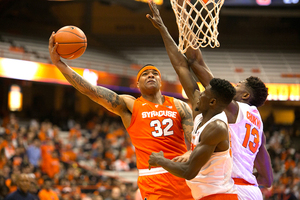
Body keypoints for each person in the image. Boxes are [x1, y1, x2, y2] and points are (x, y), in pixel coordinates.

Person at [48, 24, 194, 200]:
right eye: (145, 74)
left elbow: (193, 137)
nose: (151, 75)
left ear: (160, 82)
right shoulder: (130, 105)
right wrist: (59, 63)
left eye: (155, 73)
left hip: (182, 174)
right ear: (137, 84)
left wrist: (190, 151)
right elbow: (91, 91)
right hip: (154, 179)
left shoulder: (179, 105)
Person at [146, 1, 273, 199]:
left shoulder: (231, 107)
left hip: (231, 191)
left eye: (238, 84)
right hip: (251, 191)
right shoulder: (258, 125)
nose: (233, 86)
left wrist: (183, 16)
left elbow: (194, 62)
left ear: (245, 95)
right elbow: (267, 179)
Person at [148, 77, 238, 200]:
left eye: (204, 94)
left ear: (212, 102)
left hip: (218, 195)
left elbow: (188, 172)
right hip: (206, 195)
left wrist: (160, 161)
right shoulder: (201, 117)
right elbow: (184, 72)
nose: (199, 95)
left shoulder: (216, 127)